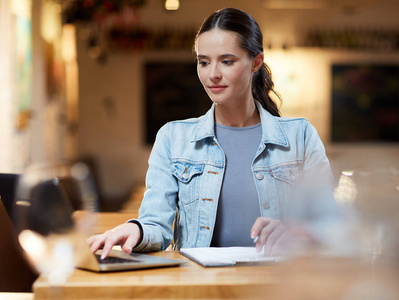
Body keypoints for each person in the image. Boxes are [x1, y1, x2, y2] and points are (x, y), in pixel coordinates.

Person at [87, 7, 335, 258]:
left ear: (256, 63)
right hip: (200, 289)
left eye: (227, 61)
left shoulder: (300, 136)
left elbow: (331, 225)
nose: (213, 74)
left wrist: (296, 232)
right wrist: (135, 230)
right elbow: (156, 226)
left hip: (279, 288)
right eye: (203, 62)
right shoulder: (173, 138)